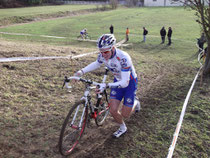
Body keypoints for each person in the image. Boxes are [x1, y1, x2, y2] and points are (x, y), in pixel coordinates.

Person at [74, 34, 141, 138]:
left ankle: (135, 102)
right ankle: (122, 128)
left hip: (129, 83)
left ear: (113, 48)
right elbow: (97, 63)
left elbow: (124, 83)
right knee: (113, 110)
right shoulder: (103, 54)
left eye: (106, 52)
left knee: (125, 114)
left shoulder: (123, 58)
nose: (103, 54)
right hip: (117, 80)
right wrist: (81, 71)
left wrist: (106, 85)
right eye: (101, 51)